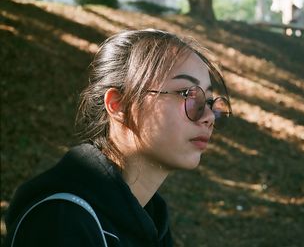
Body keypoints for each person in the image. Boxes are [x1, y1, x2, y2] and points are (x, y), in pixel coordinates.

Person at [4, 29, 232, 247]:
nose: (209, 116)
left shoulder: (149, 218)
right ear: (119, 105)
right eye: (187, 94)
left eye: (209, 100)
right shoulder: (61, 222)